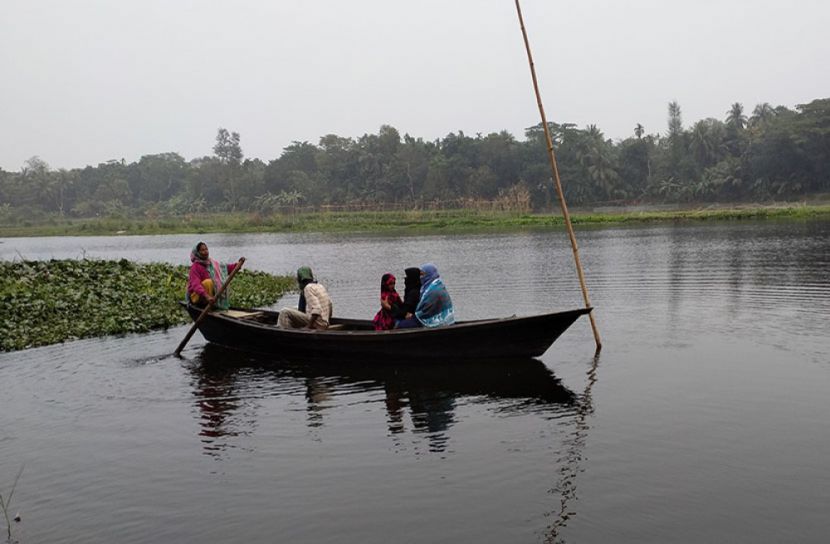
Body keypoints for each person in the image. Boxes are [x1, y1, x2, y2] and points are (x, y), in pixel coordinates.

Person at [187, 241, 244, 310]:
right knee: (208, 282)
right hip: (196, 297)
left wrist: (237, 265)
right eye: (202, 250)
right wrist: (207, 296)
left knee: (219, 281)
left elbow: (224, 269)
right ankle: (205, 303)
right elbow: (196, 285)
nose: (206, 252)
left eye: (206, 249)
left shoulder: (211, 263)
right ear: (197, 253)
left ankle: (214, 303)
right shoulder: (195, 267)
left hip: (210, 297)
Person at [395, 263, 455, 329]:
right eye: (420, 275)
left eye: (422, 274)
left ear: (429, 274)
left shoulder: (433, 290)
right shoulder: (434, 285)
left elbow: (425, 311)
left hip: (434, 320)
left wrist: (414, 316)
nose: (420, 277)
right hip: (443, 318)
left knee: (401, 325)